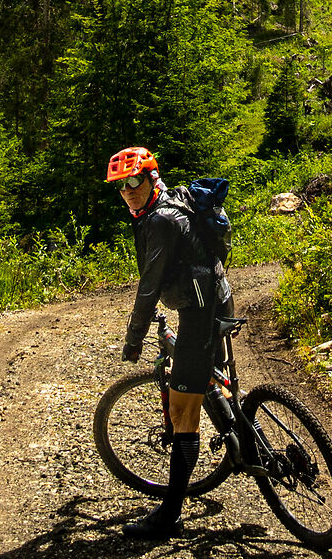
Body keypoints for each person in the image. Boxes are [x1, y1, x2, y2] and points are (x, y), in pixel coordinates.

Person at [109, 144, 231, 540]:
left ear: (150, 177)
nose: (128, 190)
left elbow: (149, 286)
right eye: (121, 186)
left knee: (182, 416)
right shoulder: (171, 201)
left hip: (201, 312)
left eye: (134, 181)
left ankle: (170, 516)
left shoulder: (160, 219)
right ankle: (234, 424)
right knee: (198, 385)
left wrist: (133, 340)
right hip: (213, 298)